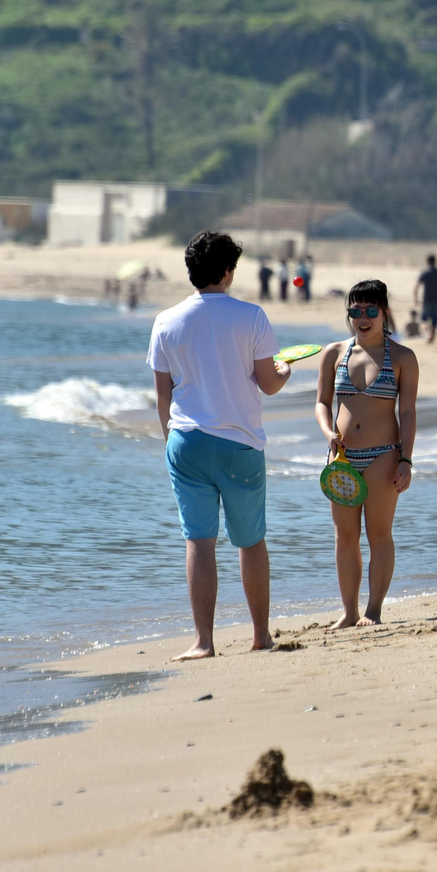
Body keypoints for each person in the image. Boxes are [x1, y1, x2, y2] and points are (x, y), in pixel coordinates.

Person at [148, 231, 291, 661]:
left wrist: (170, 440)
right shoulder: (251, 316)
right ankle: (260, 635)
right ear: (228, 272)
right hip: (239, 443)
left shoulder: (166, 321)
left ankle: (203, 642)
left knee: (199, 541)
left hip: (185, 441)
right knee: (250, 541)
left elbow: (163, 395)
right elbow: (268, 384)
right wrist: (285, 370)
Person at [314, 280, 418, 629]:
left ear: (384, 312)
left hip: (384, 455)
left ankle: (373, 611)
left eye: (371, 310)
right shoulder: (334, 353)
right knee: (345, 536)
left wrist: (406, 459)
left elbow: (408, 412)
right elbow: (321, 403)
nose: (363, 317)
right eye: (355, 310)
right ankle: (349, 612)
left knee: (379, 533)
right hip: (341, 459)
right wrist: (328, 432)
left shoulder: (402, 357)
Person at [413, 254, 437, 344]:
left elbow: (417, 287)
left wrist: (416, 298)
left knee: (423, 320)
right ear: (435, 261)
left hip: (427, 300)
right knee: (435, 321)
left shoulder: (425, 273)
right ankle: (432, 334)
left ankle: (429, 334)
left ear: (427, 261)